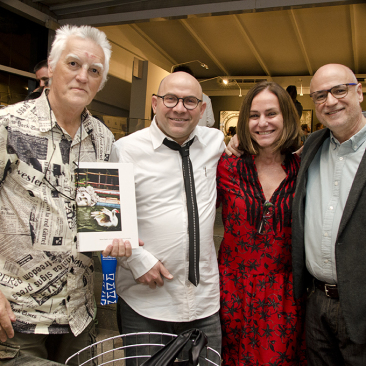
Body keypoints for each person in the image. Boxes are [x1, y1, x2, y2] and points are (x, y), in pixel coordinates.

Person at [0, 25, 131, 364]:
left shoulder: (102, 138)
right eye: (73, 64)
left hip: (79, 319)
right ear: (52, 68)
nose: (82, 76)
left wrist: (115, 239)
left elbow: (100, 221)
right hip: (18, 317)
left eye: (94, 71)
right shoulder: (9, 125)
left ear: (101, 83)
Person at [111, 71, 224, 364]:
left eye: (189, 101)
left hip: (204, 302)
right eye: (170, 99)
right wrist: (137, 259)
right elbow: (105, 217)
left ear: (202, 109)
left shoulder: (217, 144)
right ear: (154, 103)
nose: (179, 108)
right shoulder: (124, 150)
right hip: (145, 300)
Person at [217, 81, 306, 365]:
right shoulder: (227, 166)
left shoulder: (304, 168)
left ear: (287, 117)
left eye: (271, 114)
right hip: (231, 290)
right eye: (254, 116)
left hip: (285, 295)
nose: (262, 123)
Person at [292, 64, 366, 365]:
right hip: (316, 302)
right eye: (320, 95)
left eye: (339, 90)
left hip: (361, 305)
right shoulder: (312, 146)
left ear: (358, 92)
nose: (330, 101)